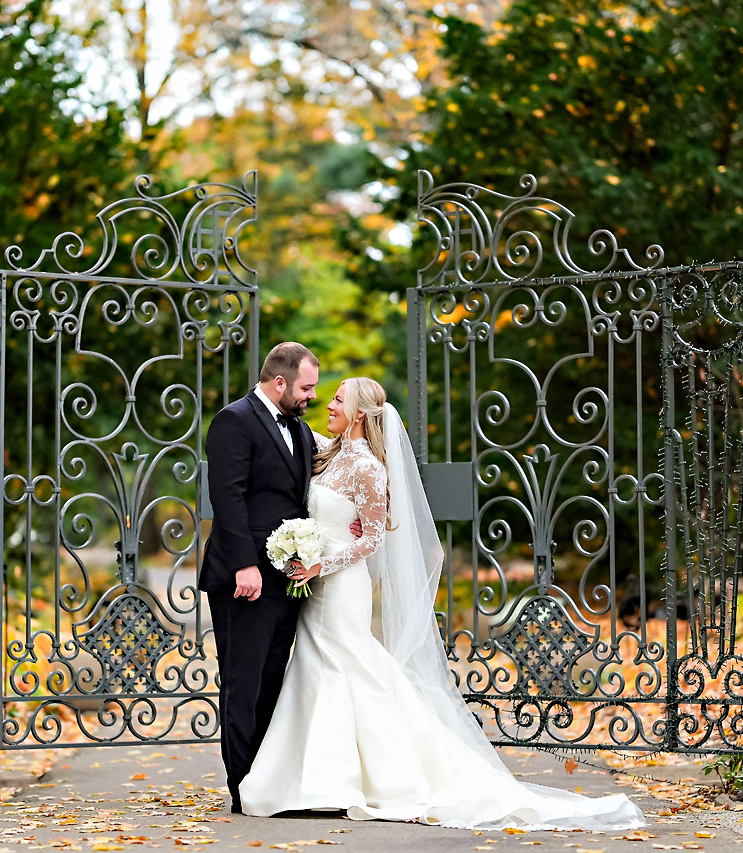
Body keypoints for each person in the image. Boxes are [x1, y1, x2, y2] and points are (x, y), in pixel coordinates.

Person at [237, 377, 646, 830]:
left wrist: (320, 564)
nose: (327, 404)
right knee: (319, 669)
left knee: (346, 667)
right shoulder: (327, 454)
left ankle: (366, 779)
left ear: (358, 413)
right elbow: (282, 437)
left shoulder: (370, 468)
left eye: (337, 399)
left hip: (340, 585)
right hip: (316, 588)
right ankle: (315, 779)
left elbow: (372, 538)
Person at [198, 342, 361, 814]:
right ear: (280, 382)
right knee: (243, 683)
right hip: (244, 577)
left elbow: (328, 479)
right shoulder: (234, 420)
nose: (313, 395)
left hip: (290, 576)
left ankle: (268, 786)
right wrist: (244, 564)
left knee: (273, 680)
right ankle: (242, 789)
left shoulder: (302, 430)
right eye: (307, 387)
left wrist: (348, 517)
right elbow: (227, 498)